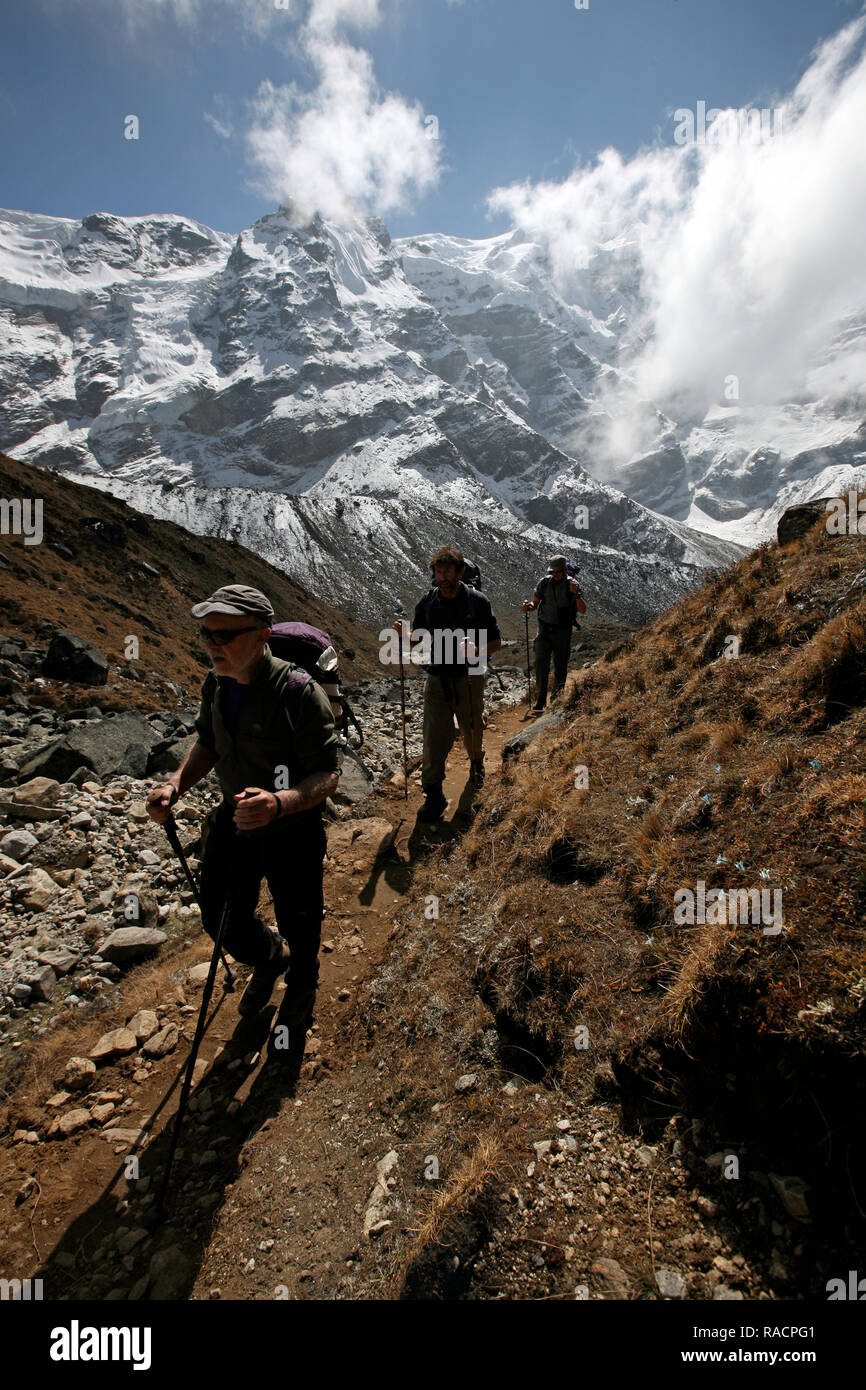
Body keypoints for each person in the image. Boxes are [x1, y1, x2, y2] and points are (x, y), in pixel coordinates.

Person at [146, 584, 341, 1053]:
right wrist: (175, 785)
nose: (212, 645)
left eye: (225, 635)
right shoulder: (217, 685)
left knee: (301, 916)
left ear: (261, 636)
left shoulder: (298, 692)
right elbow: (209, 744)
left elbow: (329, 775)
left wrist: (280, 802)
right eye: (207, 635)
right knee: (220, 917)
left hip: (293, 829)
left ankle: (302, 985)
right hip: (235, 822)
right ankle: (270, 956)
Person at [396, 545, 502, 822]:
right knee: (433, 735)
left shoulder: (477, 601)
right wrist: (404, 634)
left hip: (470, 675)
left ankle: (476, 762)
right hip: (437, 677)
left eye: (447, 571)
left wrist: (477, 650)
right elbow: (416, 639)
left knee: (471, 726)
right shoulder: (428, 603)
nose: (442, 577)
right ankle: (434, 795)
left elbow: (496, 642)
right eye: (438, 572)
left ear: (460, 572)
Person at [522, 555, 586, 712]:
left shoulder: (573, 585)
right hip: (544, 629)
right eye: (553, 571)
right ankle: (541, 699)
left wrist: (576, 594)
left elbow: (583, 609)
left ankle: (556, 699)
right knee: (540, 662)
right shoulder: (544, 583)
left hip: (562, 631)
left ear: (564, 570)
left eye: (558, 572)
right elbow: (535, 603)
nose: (555, 574)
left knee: (560, 665)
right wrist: (528, 606)